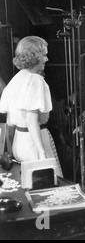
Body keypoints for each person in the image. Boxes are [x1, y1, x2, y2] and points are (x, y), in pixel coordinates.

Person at [0, 36, 63, 175]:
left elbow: (10, 122)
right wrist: (42, 154)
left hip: (19, 143)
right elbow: (31, 120)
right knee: (50, 188)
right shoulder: (35, 80)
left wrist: (9, 151)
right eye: (44, 55)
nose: (47, 59)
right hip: (34, 143)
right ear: (33, 56)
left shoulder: (15, 81)